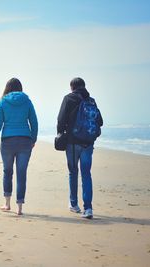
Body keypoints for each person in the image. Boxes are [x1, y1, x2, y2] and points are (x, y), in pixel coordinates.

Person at [0, 78, 38, 215]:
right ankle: (20, 207)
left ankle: (7, 204)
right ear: (20, 87)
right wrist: (33, 139)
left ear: (7, 88)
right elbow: (34, 122)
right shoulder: (27, 101)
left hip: (7, 142)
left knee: (8, 172)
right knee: (21, 174)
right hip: (25, 141)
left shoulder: (2, 102)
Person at [57, 77, 103, 219]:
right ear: (84, 86)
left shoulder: (68, 98)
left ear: (72, 87)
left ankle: (74, 204)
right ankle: (88, 208)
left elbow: (60, 119)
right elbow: (100, 121)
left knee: (73, 172)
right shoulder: (91, 101)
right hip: (88, 143)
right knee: (86, 174)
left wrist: (60, 133)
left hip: (72, 142)